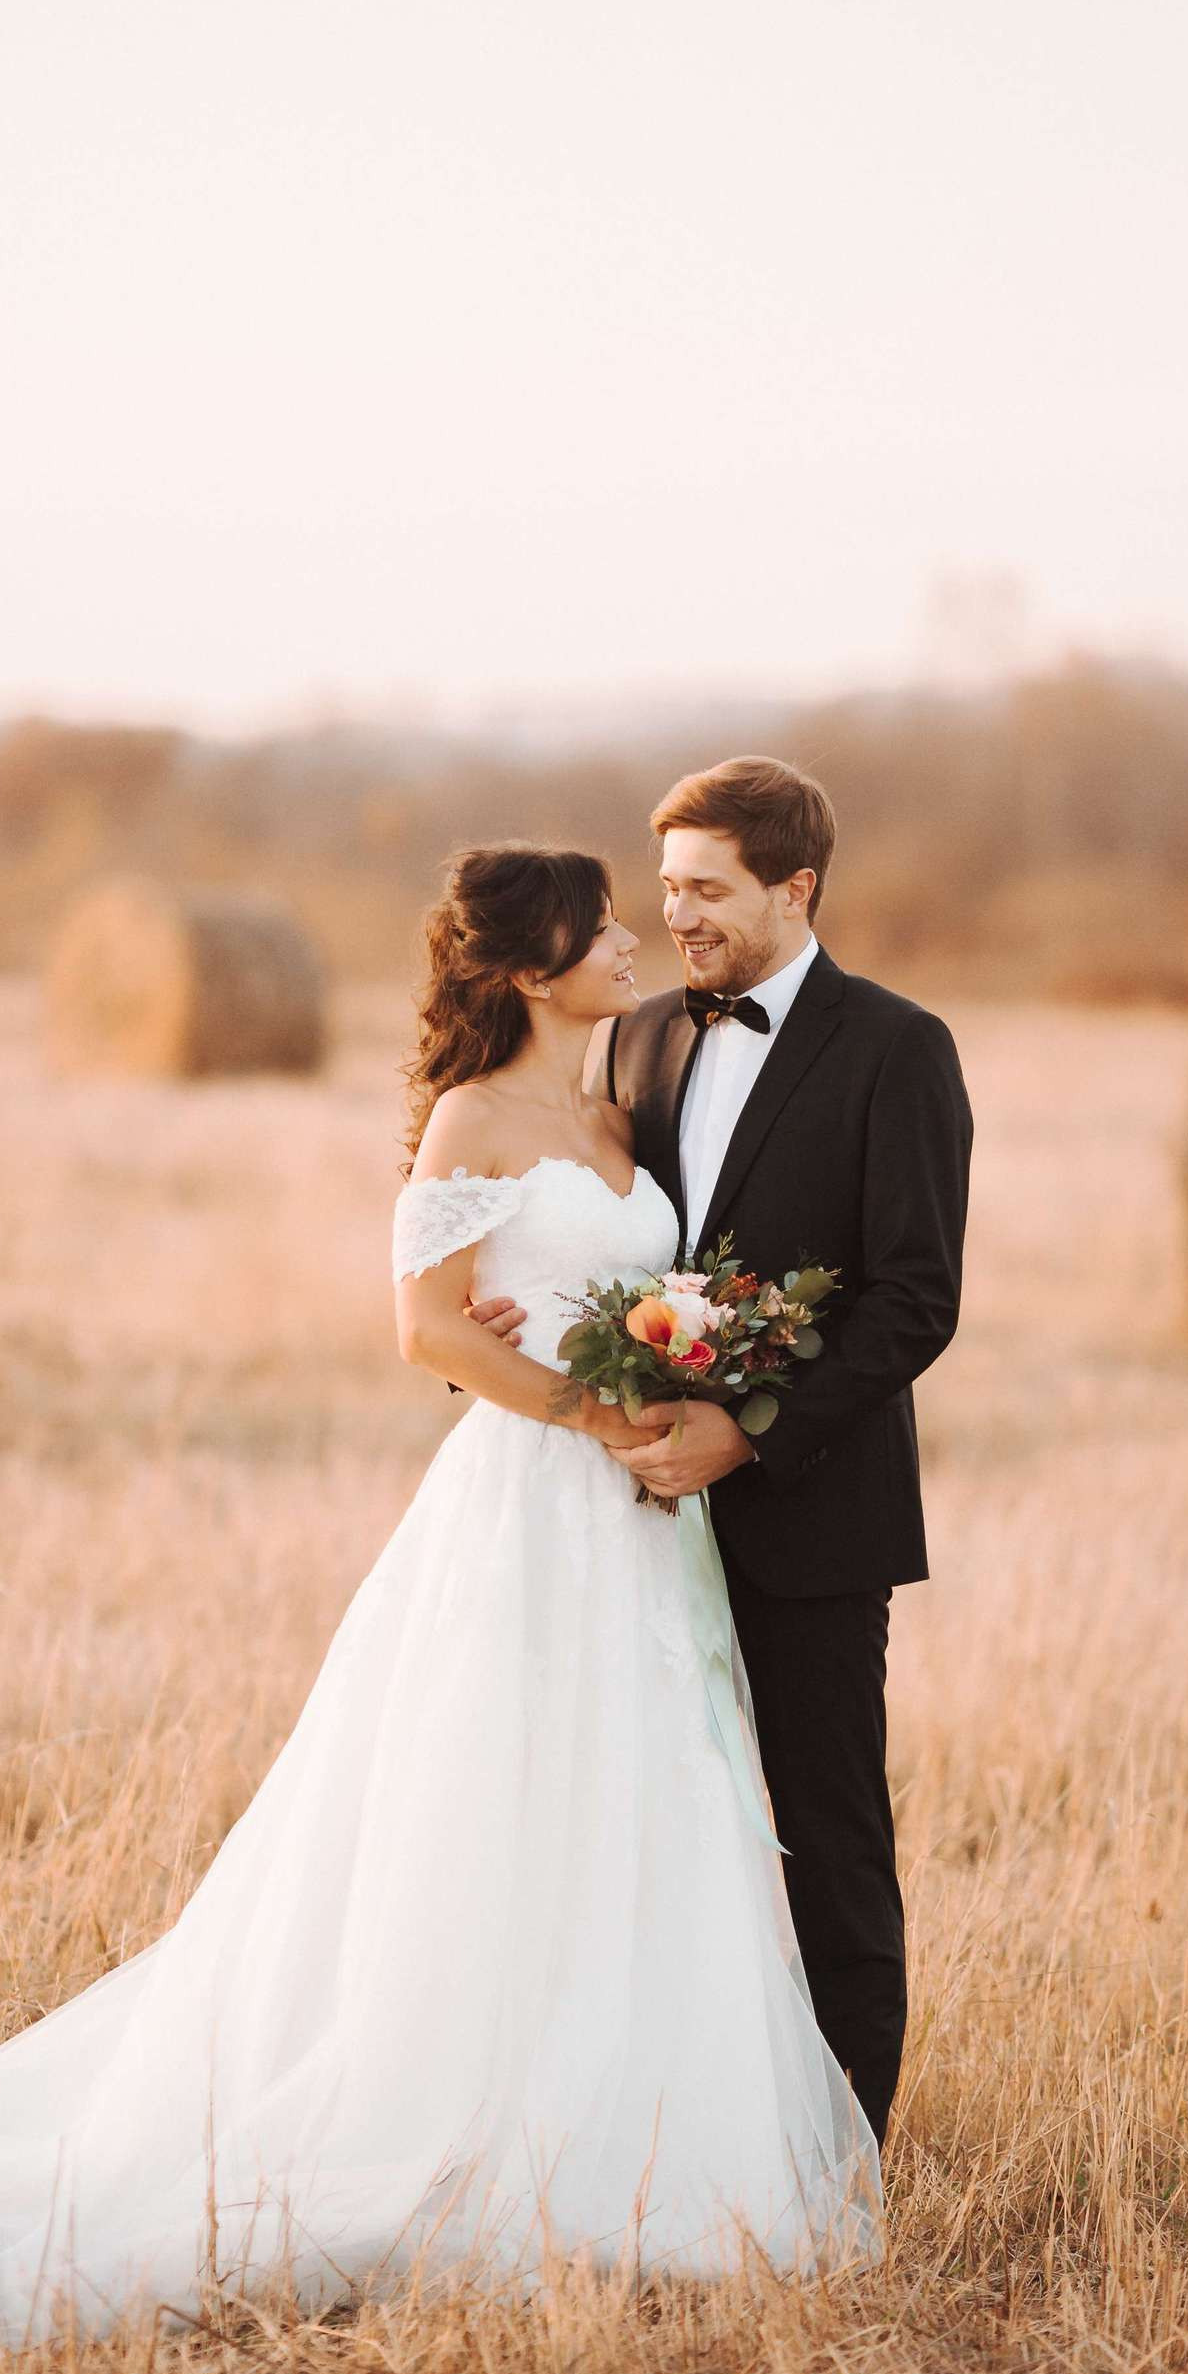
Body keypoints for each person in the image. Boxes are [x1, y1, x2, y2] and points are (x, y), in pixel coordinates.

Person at [0, 843, 879, 2360]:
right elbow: (427, 1322)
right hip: (536, 1508)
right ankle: (454, 2115)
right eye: (598, 924)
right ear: (521, 964)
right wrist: (586, 1410)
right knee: (496, 1795)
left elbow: (620, 1289)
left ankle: (634, 2124)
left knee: (640, 1796)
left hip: (645, 1520)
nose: (630, 940)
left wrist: (681, 1377)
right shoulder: (469, 1118)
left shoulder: (622, 1103)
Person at [471, 759, 973, 2146]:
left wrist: (745, 1432)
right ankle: (659, 2126)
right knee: (641, 1827)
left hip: (812, 1508)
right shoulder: (631, 1042)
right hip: (623, 1517)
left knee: (828, 1834)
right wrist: (522, 1312)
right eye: (668, 886)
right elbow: (602, 1237)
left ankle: (845, 2152)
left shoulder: (897, 1048)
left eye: (706, 889)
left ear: (794, 888)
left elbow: (914, 1300)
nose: (675, 914)